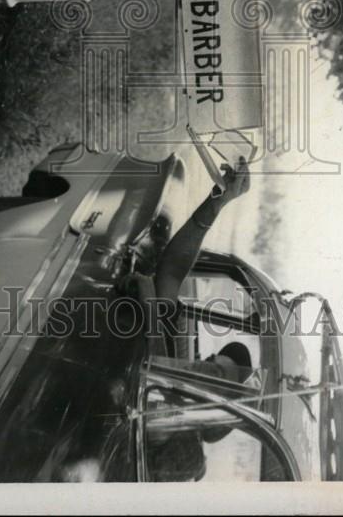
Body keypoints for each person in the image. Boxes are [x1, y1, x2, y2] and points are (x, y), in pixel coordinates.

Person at [115, 154, 254, 481]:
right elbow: (173, 272)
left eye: (217, 374)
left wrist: (145, 298)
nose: (206, 368)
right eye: (213, 364)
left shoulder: (178, 449)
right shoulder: (177, 355)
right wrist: (219, 200)